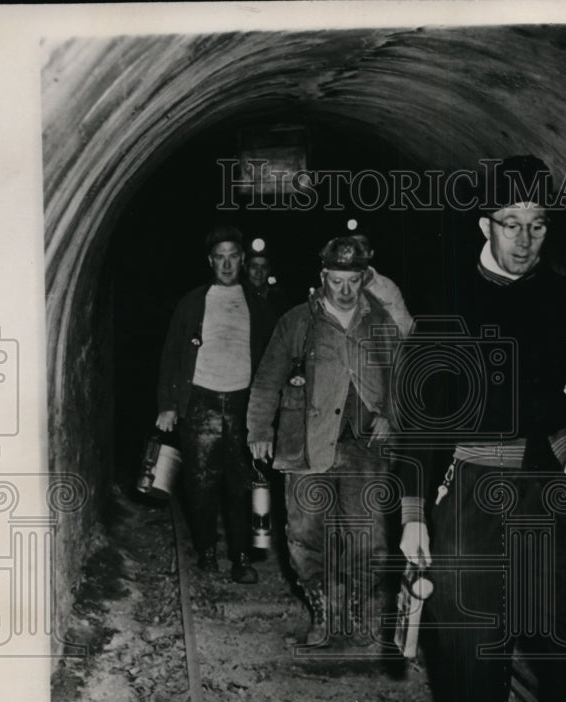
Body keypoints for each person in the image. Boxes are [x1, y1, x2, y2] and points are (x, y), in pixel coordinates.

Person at [397, 155, 566, 702]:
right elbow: (417, 421)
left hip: (554, 487)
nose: (526, 241)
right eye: (512, 223)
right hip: (470, 487)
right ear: (483, 224)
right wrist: (413, 515)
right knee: (466, 640)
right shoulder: (447, 307)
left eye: (539, 225)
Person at [246, 235, 408, 650]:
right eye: (337, 280)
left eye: (353, 280)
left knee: (370, 536)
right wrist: (260, 431)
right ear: (323, 277)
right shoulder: (298, 321)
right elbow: (267, 378)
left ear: (364, 278)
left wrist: (392, 416)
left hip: (365, 447)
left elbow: (404, 379)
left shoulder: (382, 323)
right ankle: (322, 608)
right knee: (304, 536)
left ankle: (352, 609)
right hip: (307, 442)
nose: (345, 290)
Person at [156, 225, 275, 583]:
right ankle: (207, 549)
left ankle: (241, 557)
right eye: (219, 258)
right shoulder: (192, 302)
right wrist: (168, 403)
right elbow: (172, 354)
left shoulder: (259, 305)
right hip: (202, 400)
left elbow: (273, 359)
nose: (226, 264)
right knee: (200, 481)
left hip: (243, 401)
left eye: (232, 257)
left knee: (240, 483)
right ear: (211, 261)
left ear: (242, 260)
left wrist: (267, 413)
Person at [244, 248, 290, 320]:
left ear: (269, 270)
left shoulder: (278, 299)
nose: (259, 272)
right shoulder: (237, 296)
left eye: (264, 267)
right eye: (254, 267)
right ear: (246, 268)